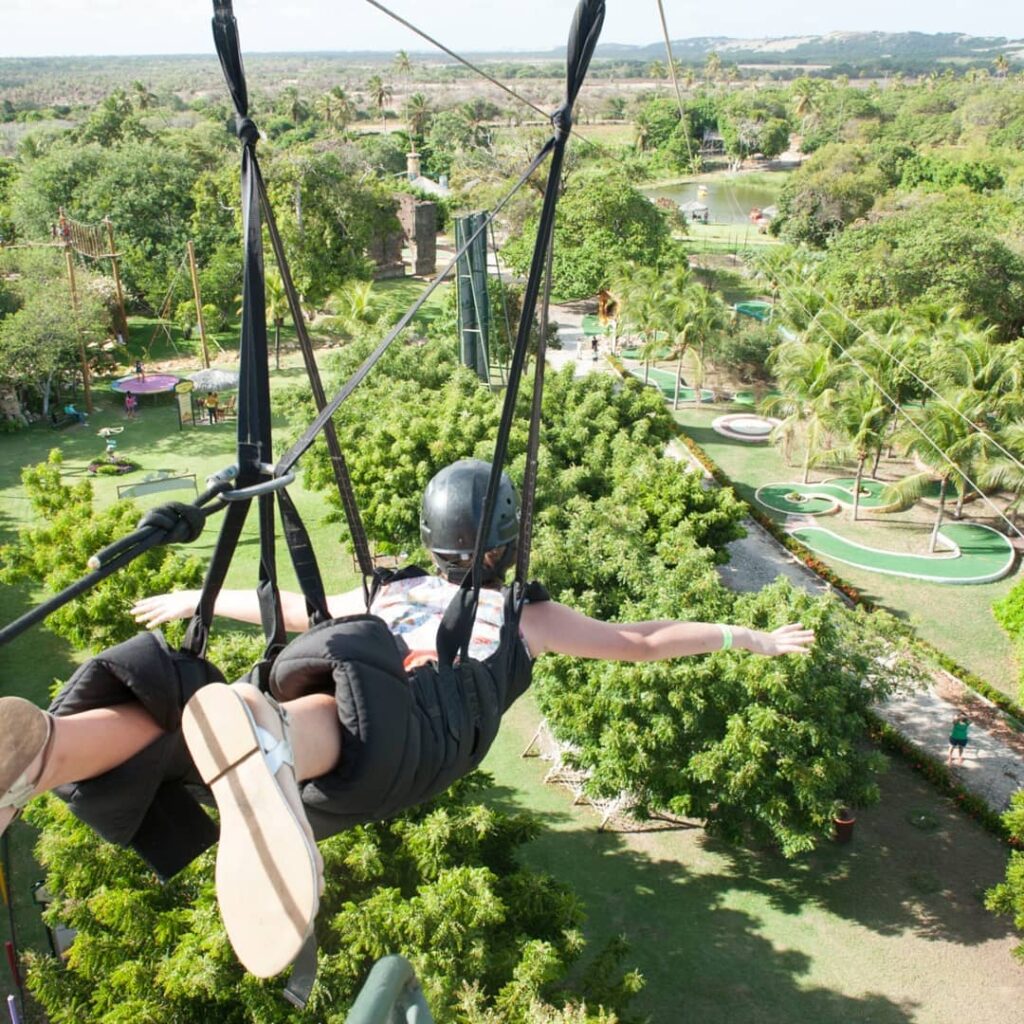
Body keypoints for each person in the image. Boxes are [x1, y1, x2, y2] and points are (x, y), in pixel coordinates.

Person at [1, 459, 814, 980]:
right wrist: (748, 636)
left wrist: (196, 600)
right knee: (288, 711)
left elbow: (293, 610)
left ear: (436, 542)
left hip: (352, 698)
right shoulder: (524, 612)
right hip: (406, 745)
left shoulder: (396, 593)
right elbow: (641, 642)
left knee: (278, 681)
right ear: (503, 544)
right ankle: (46, 753)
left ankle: (75, 748)